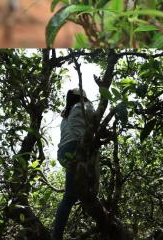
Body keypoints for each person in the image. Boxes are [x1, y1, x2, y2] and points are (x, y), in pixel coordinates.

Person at [52, 88, 98, 240]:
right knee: (89, 188)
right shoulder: (85, 106)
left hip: (64, 152)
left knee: (72, 194)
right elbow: (96, 121)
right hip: (77, 148)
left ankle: (57, 235)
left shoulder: (66, 114)